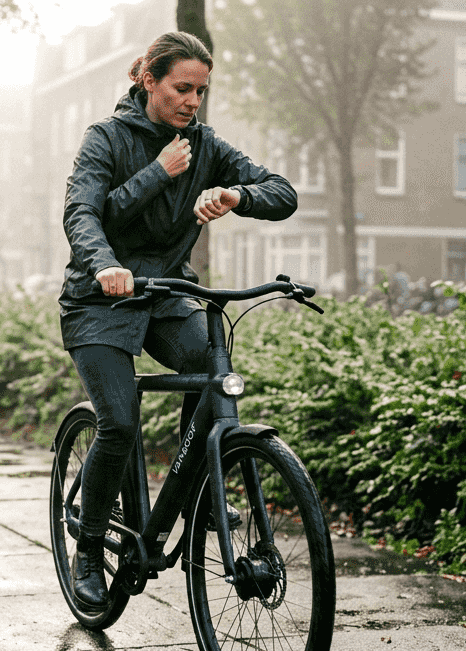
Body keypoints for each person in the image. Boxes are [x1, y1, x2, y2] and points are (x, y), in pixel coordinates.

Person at [60, 31, 297, 610]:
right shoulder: (106, 139)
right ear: (148, 80)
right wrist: (154, 180)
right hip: (100, 299)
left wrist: (236, 196)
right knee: (118, 423)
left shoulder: (206, 145)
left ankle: (197, 491)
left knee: (213, 369)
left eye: (201, 91)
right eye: (182, 88)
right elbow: (85, 213)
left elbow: (283, 193)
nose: (193, 102)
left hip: (166, 296)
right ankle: (89, 548)